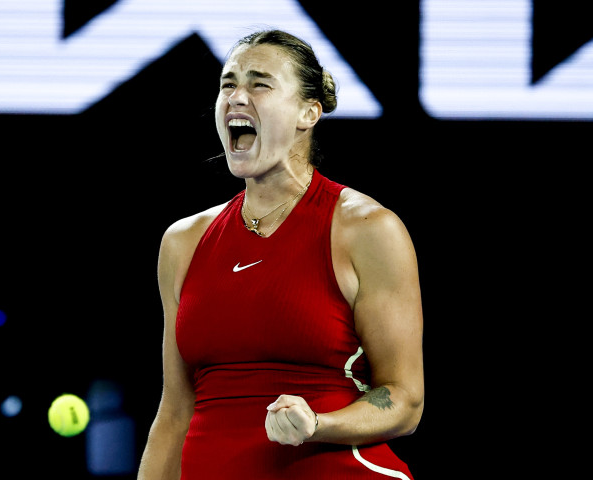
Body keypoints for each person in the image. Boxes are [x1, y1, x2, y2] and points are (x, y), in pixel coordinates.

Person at [137, 29, 424, 479]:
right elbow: (174, 412)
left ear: (308, 113)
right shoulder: (183, 241)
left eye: (259, 84)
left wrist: (318, 424)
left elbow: (405, 400)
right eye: (228, 84)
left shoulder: (368, 229)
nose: (236, 97)